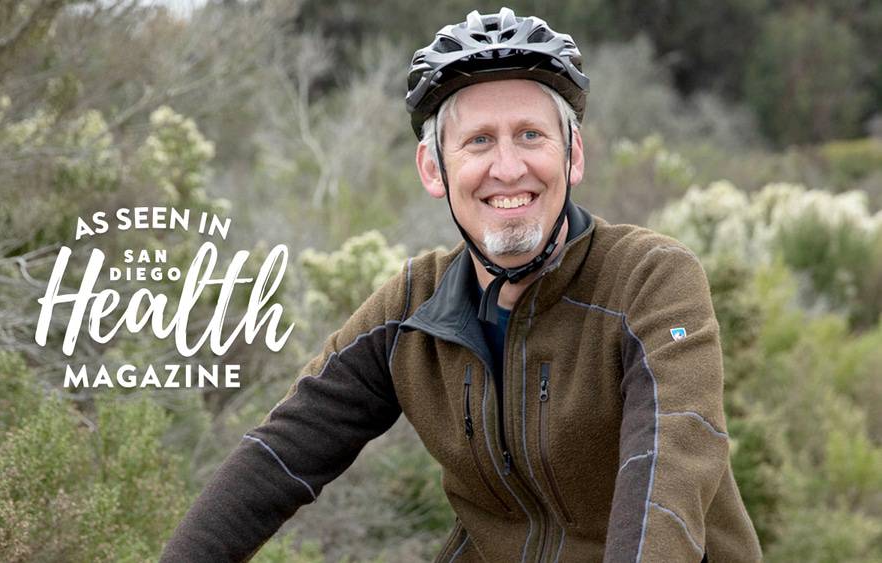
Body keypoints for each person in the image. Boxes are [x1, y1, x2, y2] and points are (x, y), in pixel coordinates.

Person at [162, 8, 762, 562]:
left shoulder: (649, 280)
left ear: (573, 154)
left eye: (531, 134)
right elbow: (281, 454)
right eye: (478, 141)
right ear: (434, 169)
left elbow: (669, 466)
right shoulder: (415, 306)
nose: (507, 167)